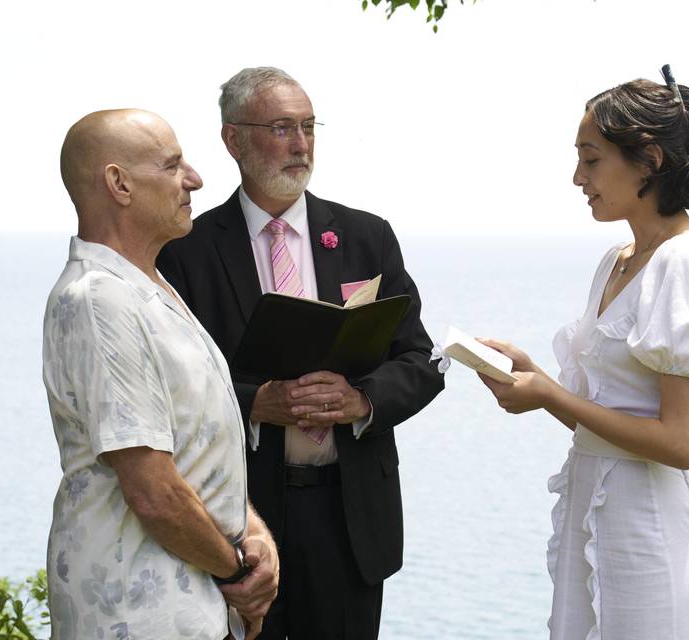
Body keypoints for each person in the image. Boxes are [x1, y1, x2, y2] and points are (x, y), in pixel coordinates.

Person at [156, 67, 444, 639]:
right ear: (232, 139)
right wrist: (256, 403)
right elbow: (169, 382)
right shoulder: (187, 250)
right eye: (283, 127)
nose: (301, 143)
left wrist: (361, 400)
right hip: (240, 516)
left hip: (350, 517)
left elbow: (420, 361)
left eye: (309, 126)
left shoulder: (367, 236)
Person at [476, 69, 689, 639]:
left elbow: (680, 443)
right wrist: (536, 382)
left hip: (649, 536)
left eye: (591, 159)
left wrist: (550, 394)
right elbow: (602, 416)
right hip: (593, 521)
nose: (577, 177)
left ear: (647, 159)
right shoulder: (617, 260)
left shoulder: (688, 262)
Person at [43, 109, 279, 640]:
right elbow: (152, 491)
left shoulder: (144, 287)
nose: (194, 178)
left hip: (185, 607)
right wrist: (239, 570)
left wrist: (256, 536)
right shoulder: (99, 301)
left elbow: (199, 446)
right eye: (173, 166)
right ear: (119, 184)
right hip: (138, 615)